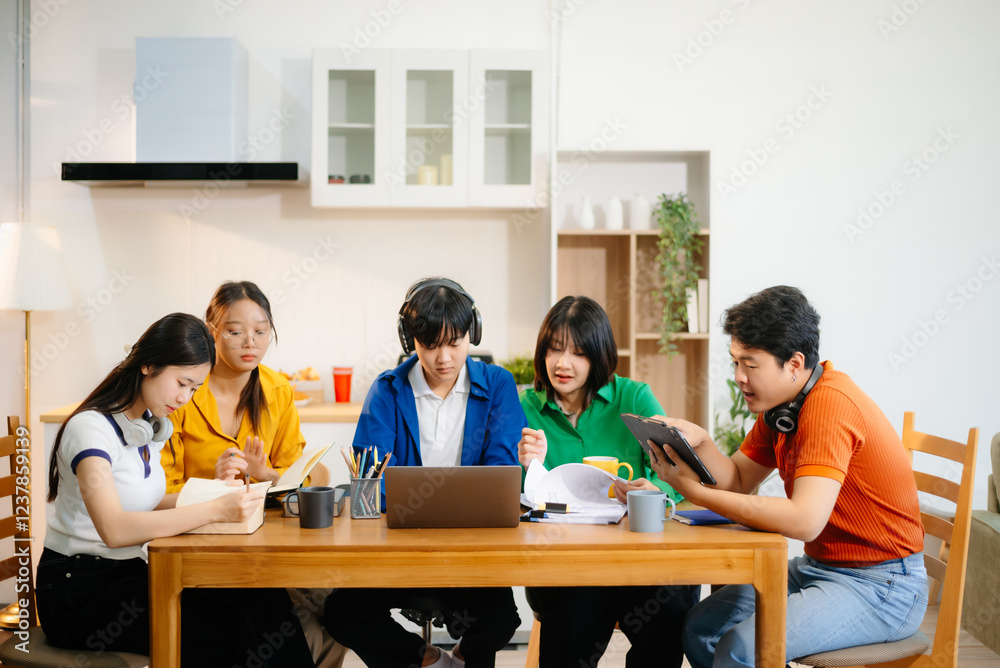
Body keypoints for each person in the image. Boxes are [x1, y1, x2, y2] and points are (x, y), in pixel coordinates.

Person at [650, 286, 927, 668]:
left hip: (881, 585)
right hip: (821, 568)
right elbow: (738, 479)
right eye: (735, 363)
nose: (739, 377)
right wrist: (701, 442)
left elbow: (804, 521)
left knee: (739, 648)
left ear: (794, 364)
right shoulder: (784, 408)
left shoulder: (829, 406)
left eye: (750, 365)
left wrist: (696, 493)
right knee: (700, 629)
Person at [38, 313, 313, 665]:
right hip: (79, 591)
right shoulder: (90, 430)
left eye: (194, 389)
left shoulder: (145, 428)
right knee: (235, 629)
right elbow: (115, 528)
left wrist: (218, 491)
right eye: (182, 383)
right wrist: (216, 510)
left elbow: (147, 504)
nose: (185, 398)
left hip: (128, 574)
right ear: (148, 365)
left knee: (260, 596)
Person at [324, 278, 524, 668]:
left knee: (500, 621)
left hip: (472, 550)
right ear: (410, 339)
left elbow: (502, 472)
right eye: (430, 345)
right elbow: (371, 482)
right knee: (342, 614)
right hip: (399, 549)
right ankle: (429, 661)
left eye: (455, 343)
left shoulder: (497, 384)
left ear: (472, 334)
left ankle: (461, 657)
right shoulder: (388, 389)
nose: (444, 358)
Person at [161, 280, 343, 668]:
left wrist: (267, 473)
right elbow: (160, 490)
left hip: (268, 543)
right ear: (211, 331)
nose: (250, 343)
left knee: (335, 608)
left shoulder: (277, 389)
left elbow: (303, 476)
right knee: (279, 626)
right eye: (235, 331)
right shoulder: (182, 392)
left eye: (261, 332)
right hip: (201, 544)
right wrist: (213, 485)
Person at [517, 295, 699, 668]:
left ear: (599, 356)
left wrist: (657, 490)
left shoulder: (634, 398)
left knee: (671, 608)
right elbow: (517, 499)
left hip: (640, 562)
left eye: (578, 353)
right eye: (554, 350)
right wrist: (529, 466)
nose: (562, 363)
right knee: (570, 621)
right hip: (567, 565)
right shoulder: (527, 407)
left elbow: (679, 471)